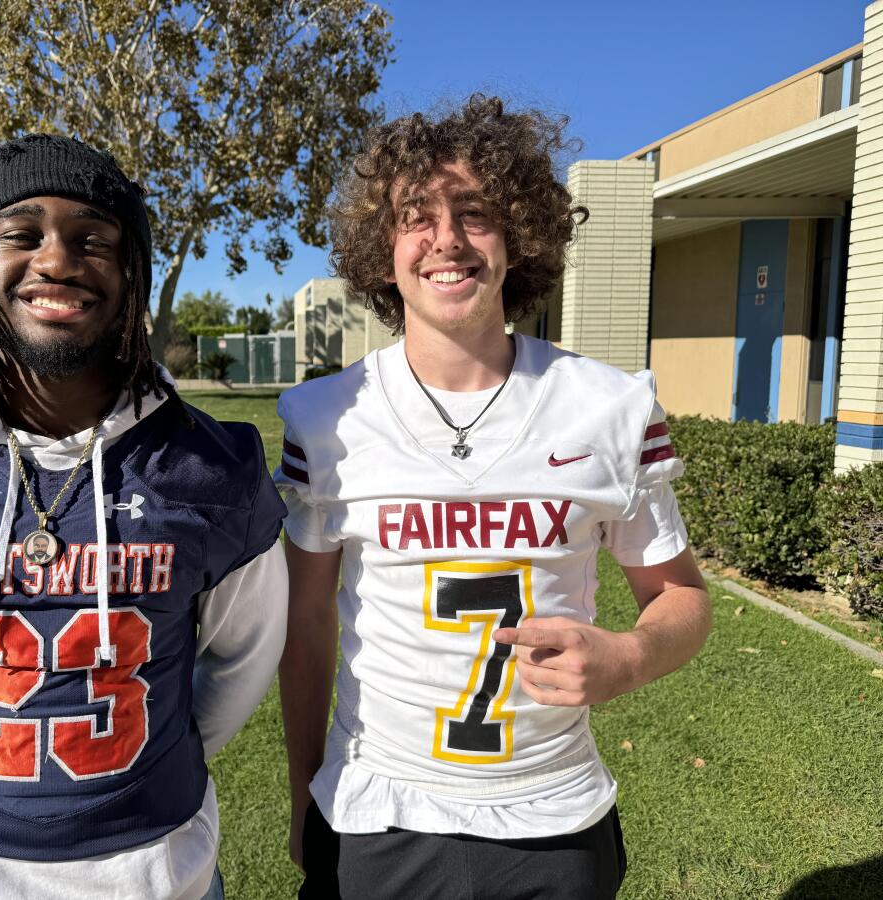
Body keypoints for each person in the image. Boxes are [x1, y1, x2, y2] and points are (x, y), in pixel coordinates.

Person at [0, 134, 287, 900]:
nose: (58, 262)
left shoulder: (207, 470)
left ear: (131, 272)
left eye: (93, 239)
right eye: (22, 234)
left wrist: (152, 751)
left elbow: (242, 659)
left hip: (164, 873)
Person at [275, 96, 712, 899]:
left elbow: (681, 596)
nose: (446, 240)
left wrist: (626, 656)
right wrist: (305, 789)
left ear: (518, 239)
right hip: (377, 810)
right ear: (382, 250)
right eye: (417, 217)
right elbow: (305, 623)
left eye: (473, 214)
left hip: (553, 819)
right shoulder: (325, 418)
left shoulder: (610, 409)